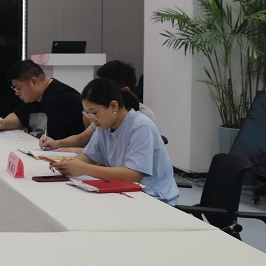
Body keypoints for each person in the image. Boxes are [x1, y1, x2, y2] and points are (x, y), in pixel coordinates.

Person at [50, 78, 179, 204]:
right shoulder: (104, 126)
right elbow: (89, 156)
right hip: (125, 192)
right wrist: (70, 164)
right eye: (87, 114)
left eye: (93, 113)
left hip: (154, 198)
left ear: (113, 106)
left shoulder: (140, 126)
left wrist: (83, 168)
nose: (91, 120)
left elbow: (133, 175)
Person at [41, 59, 157, 151]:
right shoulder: (106, 116)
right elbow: (84, 139)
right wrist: (56, 144)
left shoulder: (142, 119)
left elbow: (128, 165)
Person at [0, 59, 84, 141]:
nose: (16, 93)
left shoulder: (66, 98)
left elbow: (87, 134)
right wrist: (3, 123)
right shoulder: (33, 97)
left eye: (17, 88)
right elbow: (19, 117)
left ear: (33, 82)